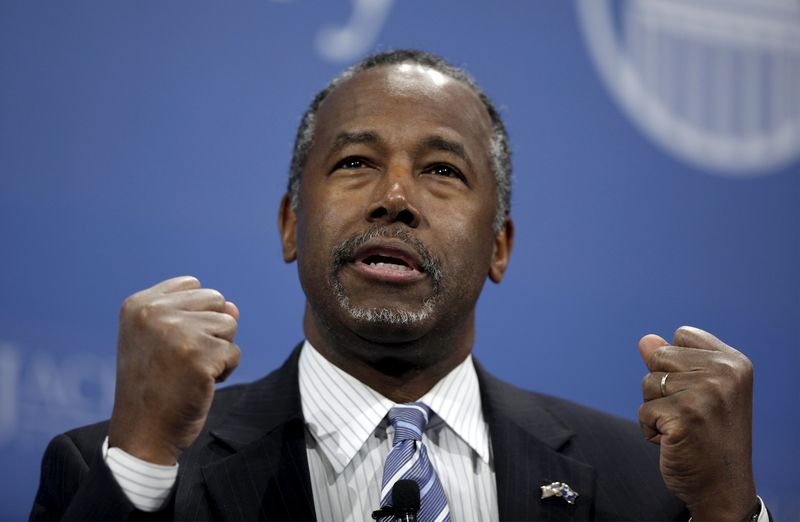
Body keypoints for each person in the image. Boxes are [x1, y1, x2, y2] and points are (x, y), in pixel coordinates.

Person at [30, 49, 766, 521]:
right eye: (355, 162)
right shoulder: (129, 469)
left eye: (443, 170)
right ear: (291, 225)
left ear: (499, 246)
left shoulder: (649, 489)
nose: (396, 197)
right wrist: (141, 461)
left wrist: (732, 513)